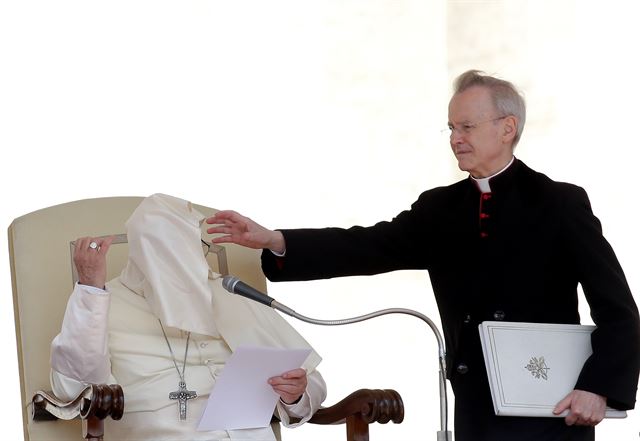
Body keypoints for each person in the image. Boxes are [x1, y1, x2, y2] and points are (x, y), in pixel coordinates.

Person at [205, 70, 640, 441]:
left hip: (551, 410)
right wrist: (275, 240)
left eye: (466, 127)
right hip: (475, 411)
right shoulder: (441, 209)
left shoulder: (559, 204)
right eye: (451, 128)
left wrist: (598, 387)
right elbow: (366, 246)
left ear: (507, 128)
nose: (455, 139)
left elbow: (619, 312)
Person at [51, 194, 326, 441]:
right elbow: (73, 388)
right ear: (143, 251)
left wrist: (296, 395)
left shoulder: (228, 292)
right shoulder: (102, 300)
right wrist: (89, 289)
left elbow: (311, 380)